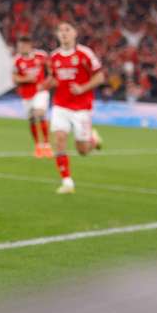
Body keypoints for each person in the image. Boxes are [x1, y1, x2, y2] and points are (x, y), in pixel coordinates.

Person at [47, 22, 104, 194]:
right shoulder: (54, 56)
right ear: (57, 35)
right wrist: (46, 84)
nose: (63, 33)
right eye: (60, 30)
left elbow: (100, 77)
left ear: (75, 33)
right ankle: (67, 182)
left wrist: (82, 88)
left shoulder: (85, 54)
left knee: (83, 150)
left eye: (67, 30)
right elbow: (56, 79)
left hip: (82, 107)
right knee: (60, 139)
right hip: (60, 105)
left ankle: (93, 140)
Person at [13, 36, 53, 158]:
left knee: (39, 113)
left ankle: (46, 144)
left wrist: (46, 83)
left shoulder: (41, 55)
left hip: (40, 91)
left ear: (29, 45)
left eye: (22, 45)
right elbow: (15, 79)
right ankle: (38, 146)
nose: (20, 48)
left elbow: (51, 71)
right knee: (31, 119)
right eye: (19, 46)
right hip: (26, 94)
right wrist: (26, 79)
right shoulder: (17, 60)